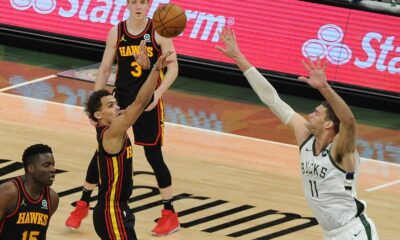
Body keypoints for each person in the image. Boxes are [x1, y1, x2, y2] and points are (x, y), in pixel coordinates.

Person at [216, 27, 379, 240]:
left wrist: (324, 88)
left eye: (317, 112)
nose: (310, 114)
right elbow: (271, 98)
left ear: (329, 124)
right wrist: (239, 58)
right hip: (331, 233)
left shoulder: (341, 149)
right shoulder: (305, 137)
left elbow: (348, 121)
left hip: (354, 231)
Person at [65, 0, 180, 236]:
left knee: (153, 155)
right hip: (120, 101)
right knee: (102, 151)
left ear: (149, 5)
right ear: (127, 4)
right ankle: (84, 203)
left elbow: (174, 68)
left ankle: (169, 213)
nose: (138, 6)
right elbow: (105, 69)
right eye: (134, 2)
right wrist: (95, 103)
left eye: (143, 2)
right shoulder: (116, 32)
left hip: (147, 102)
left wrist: (156, 95)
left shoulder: (158, 31)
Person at [83, 52, 171, 239]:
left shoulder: (113, 128)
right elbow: (139, 103)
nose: (117, 107)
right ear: (98, 115)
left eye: (115, 103)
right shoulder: (113, 131)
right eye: (110, 105)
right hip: (111, 211)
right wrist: (154, 70)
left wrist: (153, 71)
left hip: (118, 209)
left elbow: (139, 102)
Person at [0, 144, 59, 240]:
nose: (53, 169)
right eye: (46, 165)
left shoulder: (52, 198)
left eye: (53, 164)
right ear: (30, 168)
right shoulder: (8, 193)